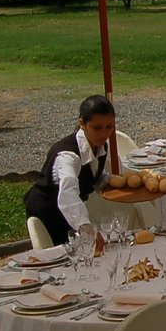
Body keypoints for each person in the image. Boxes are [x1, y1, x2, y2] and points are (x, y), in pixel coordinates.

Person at [23, 94, 118, 246]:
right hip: (48, 212)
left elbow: (92, 175)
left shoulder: (99, 145)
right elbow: (68, 193)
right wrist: (86, 228)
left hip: (69, 212)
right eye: (97, 128)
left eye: (109, 127)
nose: (104, 134)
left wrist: (114, 182)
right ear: (82, 123)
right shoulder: (67, 155)